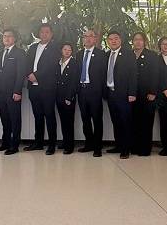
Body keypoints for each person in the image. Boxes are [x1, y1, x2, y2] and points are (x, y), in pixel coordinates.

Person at [24, 23, 60, 155]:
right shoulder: (33, 47)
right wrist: (29, 75)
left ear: (51, 34)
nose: (44, 34)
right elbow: (26, 63)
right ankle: (38, 142)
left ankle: (51, 144)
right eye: (42, 32)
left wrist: (36, 75)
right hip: (33, 87)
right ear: (39, 33)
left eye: (47, 32)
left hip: (47, 87)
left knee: (49, 115)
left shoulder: (55, 48)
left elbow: (52, 66)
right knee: (37, 115)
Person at [104, 30, 137, 159]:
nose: (113, 41)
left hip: (124, 94)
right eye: (111, 39)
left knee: (125, 121)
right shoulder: (106, 55)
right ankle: (118, 145)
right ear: (108, 41)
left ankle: (126, 149)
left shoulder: (128, 54)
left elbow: (133, 74)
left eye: (116, 38)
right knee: (116, 121)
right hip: (110, 93)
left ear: (120, 40)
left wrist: (132, 93)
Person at [0, 28, 27, 155]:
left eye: (9, 36)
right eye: (4, 36)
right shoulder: (0, 52)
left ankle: (14, 145)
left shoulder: (20, 53)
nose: (6, 38)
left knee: (15, 119)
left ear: (14, 38)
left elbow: (21, 73)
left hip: (13, 92)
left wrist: (17, 91)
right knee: (5, 118)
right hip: (1, 91)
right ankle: (5, 143)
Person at [76, 28, 107, 157]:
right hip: (81, 90)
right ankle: (89, 144)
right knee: (85, 119)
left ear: (95, 39)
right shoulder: (78, 54)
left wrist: (103, 92)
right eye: (85, 36)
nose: (88, 38)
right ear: (83, 39)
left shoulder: (101, 54)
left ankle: (97, 147)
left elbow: (104, 74)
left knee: (97, 119)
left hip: (95, 91)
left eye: (91, 36)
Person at [131, 32, 159, 157]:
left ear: (144, 42)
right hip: (132, 94)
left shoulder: (151, 55)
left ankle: (145, 149)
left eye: (140, 40)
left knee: (146, 122)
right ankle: (135, 147)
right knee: (134, 121)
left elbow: (155, 75)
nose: (138, 42)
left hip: (147, 94)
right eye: (135, 39)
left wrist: (153, 92)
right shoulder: (129, 55)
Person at [56, 43, 79, 154]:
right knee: (63, 120)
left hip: (68, 97)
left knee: (69, 121)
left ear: (72, 52)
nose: (67, 51)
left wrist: (69, 97)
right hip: (59, 96)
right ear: (61, 50)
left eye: (69, 50)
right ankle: (65, 141)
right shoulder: (59, 62)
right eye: (65, 49)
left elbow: (74, 81)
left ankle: (69, 146)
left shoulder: (74, 63)